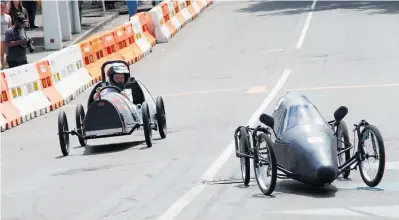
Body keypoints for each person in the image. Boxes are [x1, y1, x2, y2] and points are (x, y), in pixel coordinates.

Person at [1, 1, 12, 69]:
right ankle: (3, 66)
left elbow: (10, 27)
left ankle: (7, 64)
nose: (2, 8)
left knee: (8, 52)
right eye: (1, 7)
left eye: (3, 7)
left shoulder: (8, 16)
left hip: (6, 35)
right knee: (1, 52)